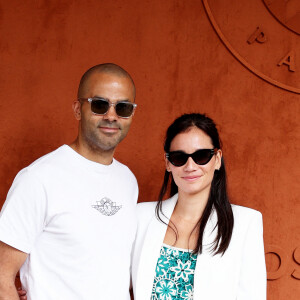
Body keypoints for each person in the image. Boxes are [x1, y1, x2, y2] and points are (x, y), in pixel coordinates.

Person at [0, 63, 138, 300]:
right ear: (77, 109)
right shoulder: (38, 178)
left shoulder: (127, 180)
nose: (111, 116)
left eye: (123, 108)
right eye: (99, 104)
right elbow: (1, 276)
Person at [132, 113, 266, 299]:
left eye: (201, 156)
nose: (190, 166)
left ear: (217, 159)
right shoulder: (141, 216)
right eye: (179, 157)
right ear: (168, 163)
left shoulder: (245, 223)